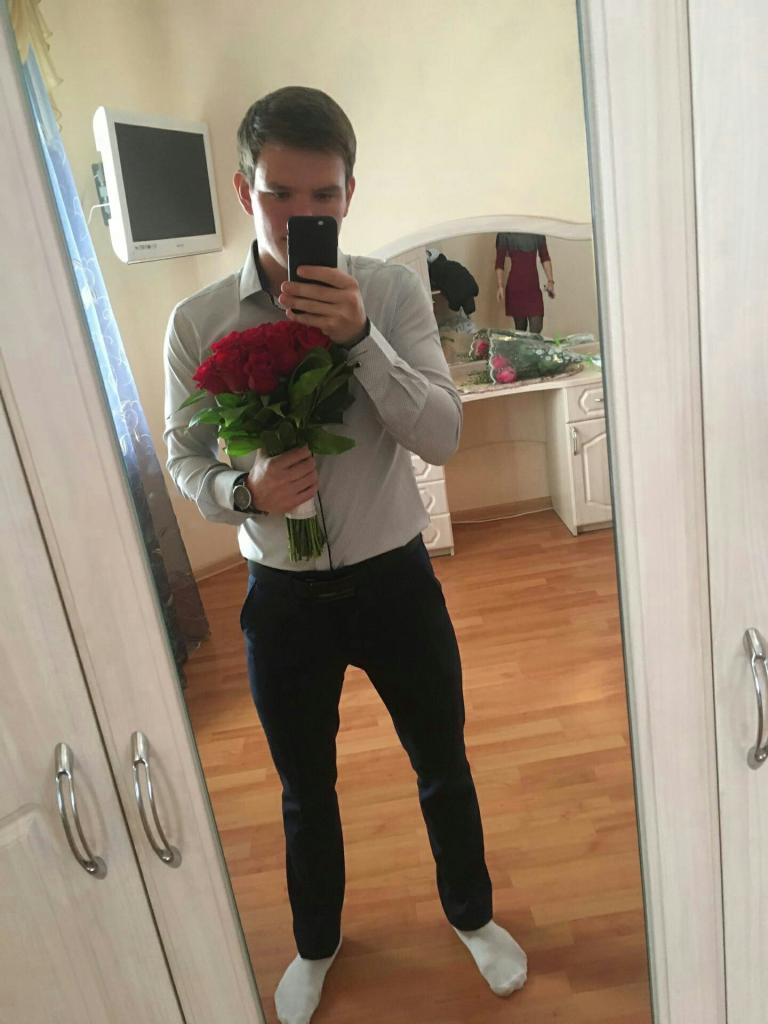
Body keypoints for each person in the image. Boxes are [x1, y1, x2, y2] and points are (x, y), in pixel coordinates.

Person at [163, 86, 527, 1024]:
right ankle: (317, 942)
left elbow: (442, 435)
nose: (301, 217)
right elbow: (184, 455)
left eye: (322, 197)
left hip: (393, 579)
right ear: (244, 191)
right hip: (282, 596)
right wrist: (245, 492)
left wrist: (360, 339)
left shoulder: (392, 294)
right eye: (279, 194)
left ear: (349, 194)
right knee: (304, 789)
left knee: (442, 760)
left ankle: (473, 913)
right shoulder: (197, 323)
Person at [495, 231, 555, 333]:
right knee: (520, 330)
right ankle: (522, 343)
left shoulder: (537, 231)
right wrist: (500, 285)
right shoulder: (506, 233)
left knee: (537, 327)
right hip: (515, 288)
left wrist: (550, 281)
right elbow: (499, 262)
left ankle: (532, 344)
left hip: (533, 287)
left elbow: (544, 256)